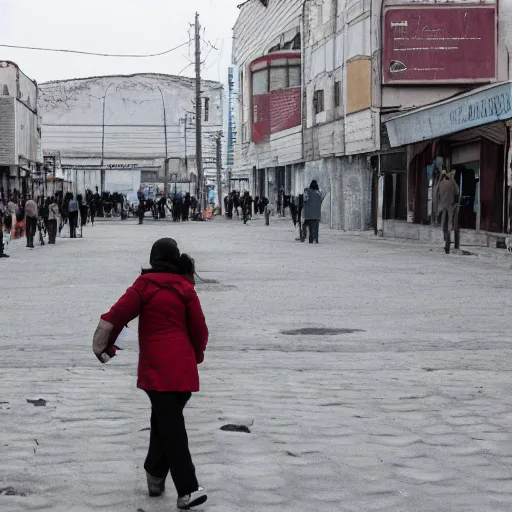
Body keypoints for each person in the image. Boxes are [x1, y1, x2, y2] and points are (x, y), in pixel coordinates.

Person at [92, 238, 208, 510]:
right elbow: (200, 328)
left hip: (156, 370)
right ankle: (171, 483)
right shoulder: (185, 288)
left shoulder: (143, 286)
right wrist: (197, 355)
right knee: (169, 423)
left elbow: (116, 316)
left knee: (167, 424)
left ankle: (171, 483)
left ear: (154, 259)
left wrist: (102, 346)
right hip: (182, 369)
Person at [436, 167, 460, 254]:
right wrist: (453, 179)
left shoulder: (441, 183)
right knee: (449, 224)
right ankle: (448, 239)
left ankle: (445, 237)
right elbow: (457, 191)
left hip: (442, 206)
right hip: (450, 206)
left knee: (443, 224)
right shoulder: (452, 183)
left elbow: (437, 192)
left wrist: (440, 177)